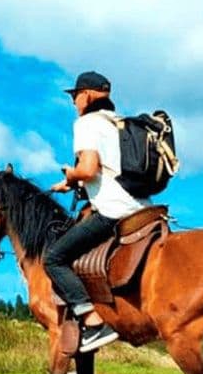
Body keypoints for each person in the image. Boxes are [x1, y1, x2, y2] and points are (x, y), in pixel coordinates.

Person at [45, 71, 150, 353]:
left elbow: (89, 168)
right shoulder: (120, 123)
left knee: (54, 258)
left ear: (88, 95)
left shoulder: (86, 123)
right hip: (143, 208)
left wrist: (72, 172)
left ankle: (92, 320)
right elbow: (108, 170)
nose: (74, 102)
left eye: (75, 96)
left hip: (113, 211)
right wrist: (71, 183)